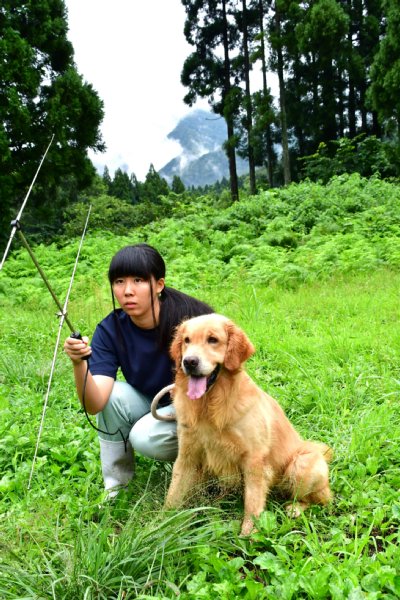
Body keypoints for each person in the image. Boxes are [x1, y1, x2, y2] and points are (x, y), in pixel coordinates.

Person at [64, 243, 213, 496]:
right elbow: (95, 403)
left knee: (145, 437)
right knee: (113, 396)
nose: (128, 291)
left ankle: (210, 466)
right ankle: (116, 489)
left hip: (201, 406)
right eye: (119, 281)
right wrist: (79, 364)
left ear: (159, 285)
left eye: (139, 280)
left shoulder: (192, 318)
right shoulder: (111, 329)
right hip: (153, 402)